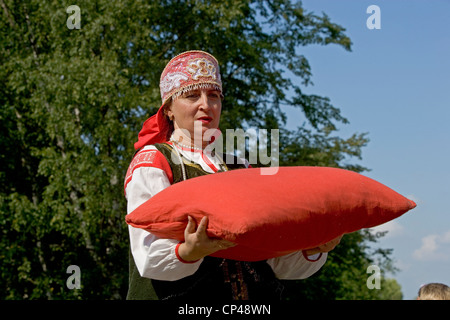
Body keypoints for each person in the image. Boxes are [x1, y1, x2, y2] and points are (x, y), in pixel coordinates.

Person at [124, 50, 342, 300]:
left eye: (214, 96)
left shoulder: (241, 167)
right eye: (192, 95)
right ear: (169, 110)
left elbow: (275, 263)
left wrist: (313, 247)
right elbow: (148, 257)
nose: (206, 104)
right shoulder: (154, 160)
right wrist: (189, 251)